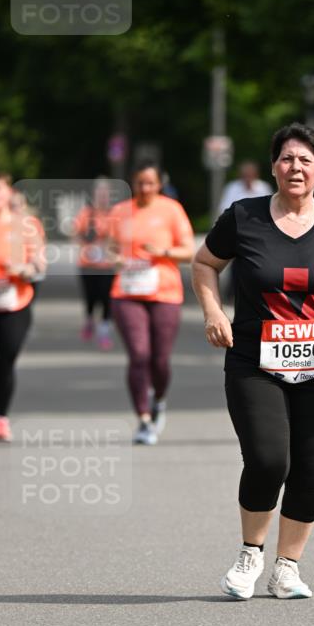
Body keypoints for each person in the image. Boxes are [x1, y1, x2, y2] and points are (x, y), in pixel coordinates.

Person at [192, 122, 314, 601]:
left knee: (310, 466)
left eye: (305, 160)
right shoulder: (244, 216)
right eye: (287, 158)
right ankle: (250, 554)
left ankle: (287, 567)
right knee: (269, 459)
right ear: (274, 166)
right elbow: (205, 263)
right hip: (255, 359)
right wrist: (213, 311)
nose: (296, 167)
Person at [107, 162, 194, 445]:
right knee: (139, 354)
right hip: (127, 292)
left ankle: (159, 398)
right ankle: (143, 419)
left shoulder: (171, 210)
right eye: (140, 182)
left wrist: (163, 252)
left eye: (150, 183)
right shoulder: (120, 212)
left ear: (159, 184)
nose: (144, 188)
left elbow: (189, 251)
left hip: (164, 293)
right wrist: (115, 258)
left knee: (159, 359)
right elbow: (108, 247)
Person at [0, 172, 46, 443]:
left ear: (9, 193)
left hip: (15, 302)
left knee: (4, 361)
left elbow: (40, 265)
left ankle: (1, 419)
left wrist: (22, 270)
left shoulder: (27, 226)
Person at [73, 177, 115, 349]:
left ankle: (104, 332)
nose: (103, 196)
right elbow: (75, 234)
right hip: (87, 265)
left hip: (107, 266)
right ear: (94, 194)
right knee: (90, 298)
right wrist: (86, 248)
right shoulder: (86, 213)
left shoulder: (115, 213)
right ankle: (89, 320)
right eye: (100, 192)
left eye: (106, 193)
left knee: (106, 299)